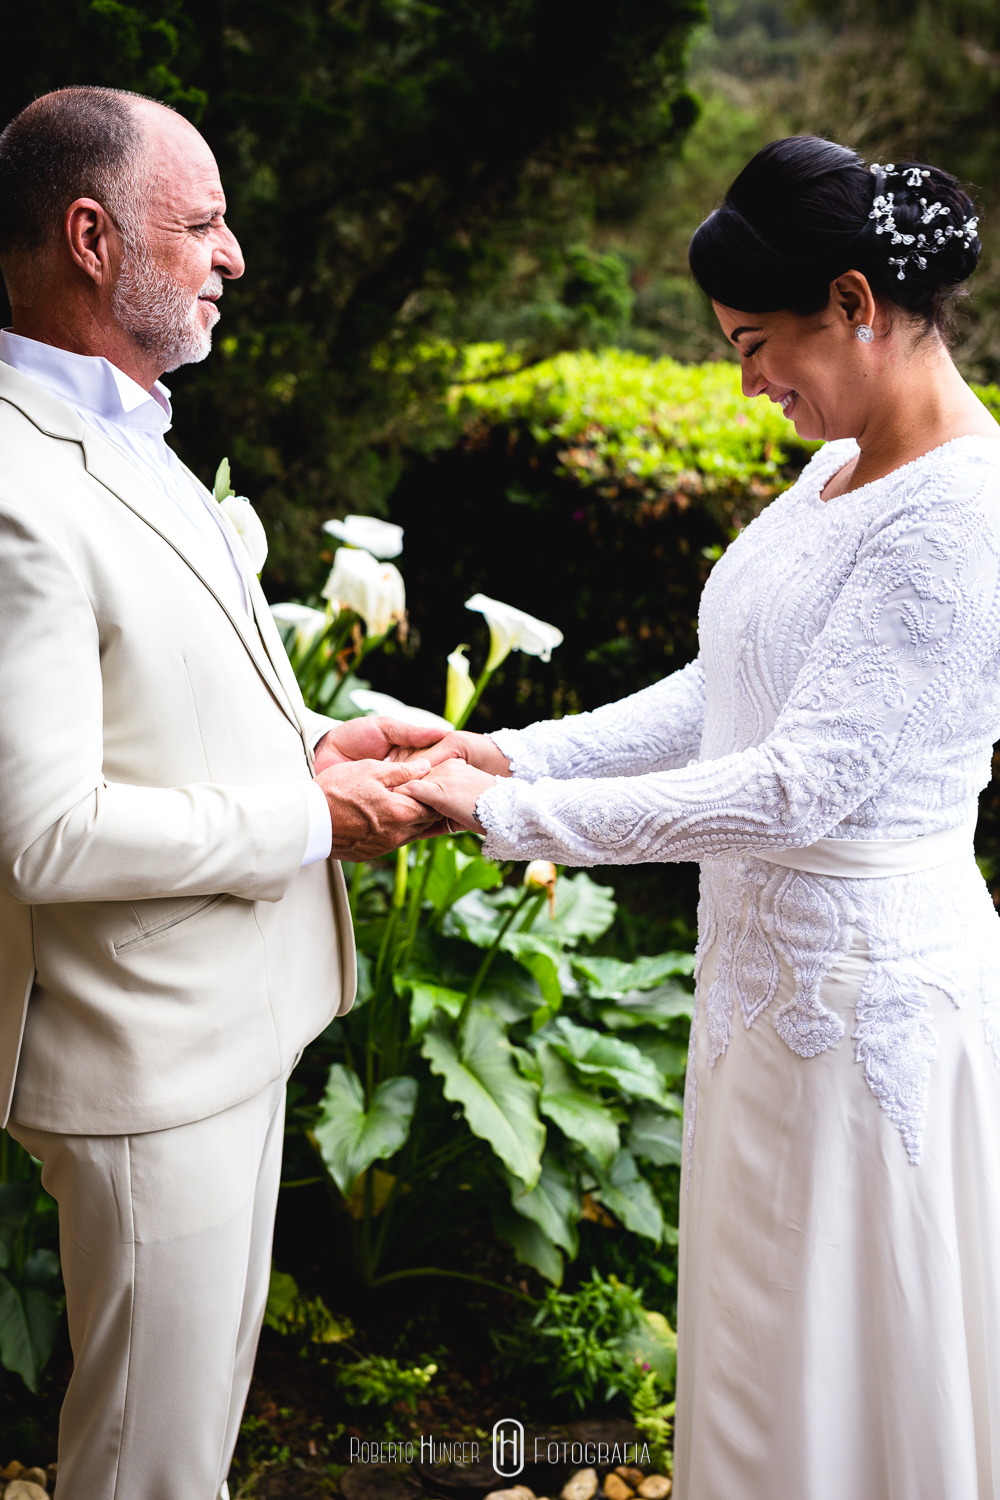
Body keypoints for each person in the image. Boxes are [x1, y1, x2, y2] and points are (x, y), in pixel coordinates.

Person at [402, 137, 1000, 1498]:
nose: (748, 380)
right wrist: (504, 743)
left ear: (855, 302)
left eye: (756, 343)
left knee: (851, 1343)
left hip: (867, 1009)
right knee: (763, 1327)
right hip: (768, 993)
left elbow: (797, 786)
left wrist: (514, 815)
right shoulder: (841, 467)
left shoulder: (963, 512)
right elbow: (719, 693)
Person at [0, 87, 442, 1500]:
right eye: (200, 224)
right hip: (141, 1065)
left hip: (227, 1031)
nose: (233, 256)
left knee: (186, 1443)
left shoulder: (134, 427)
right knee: (146, 1467)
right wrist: (318, 824)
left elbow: (163, 705)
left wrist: (317, 745)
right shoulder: (16, 480)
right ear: (89, 237)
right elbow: (45, 832)